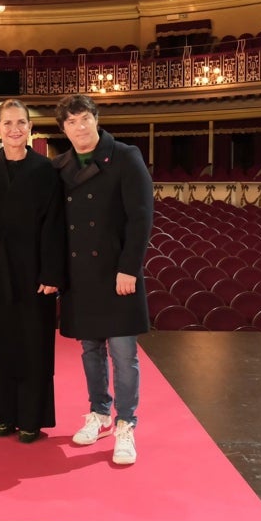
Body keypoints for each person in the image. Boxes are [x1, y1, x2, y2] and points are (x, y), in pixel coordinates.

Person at [53, 94, 153, 465]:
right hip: (81, 276)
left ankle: (126, 423)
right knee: (90, 350)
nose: (80, 128)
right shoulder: (60, 165)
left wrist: (129, 267)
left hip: (118, 274)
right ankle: (98, 412)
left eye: (84, 119)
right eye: (71, 123)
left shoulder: (126, 156)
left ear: (96, 118)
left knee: (123, 354)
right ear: (63, 129)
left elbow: (141, 217)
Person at [0, 99, 65, 443]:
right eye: (7, 123)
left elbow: (55, 225)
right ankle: (1, 415)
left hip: (33, 269)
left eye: (20, 123)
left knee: (32, 345)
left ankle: (31, 419)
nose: (14, 129)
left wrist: (51, 274)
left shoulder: (45, 169)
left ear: (30, 128)